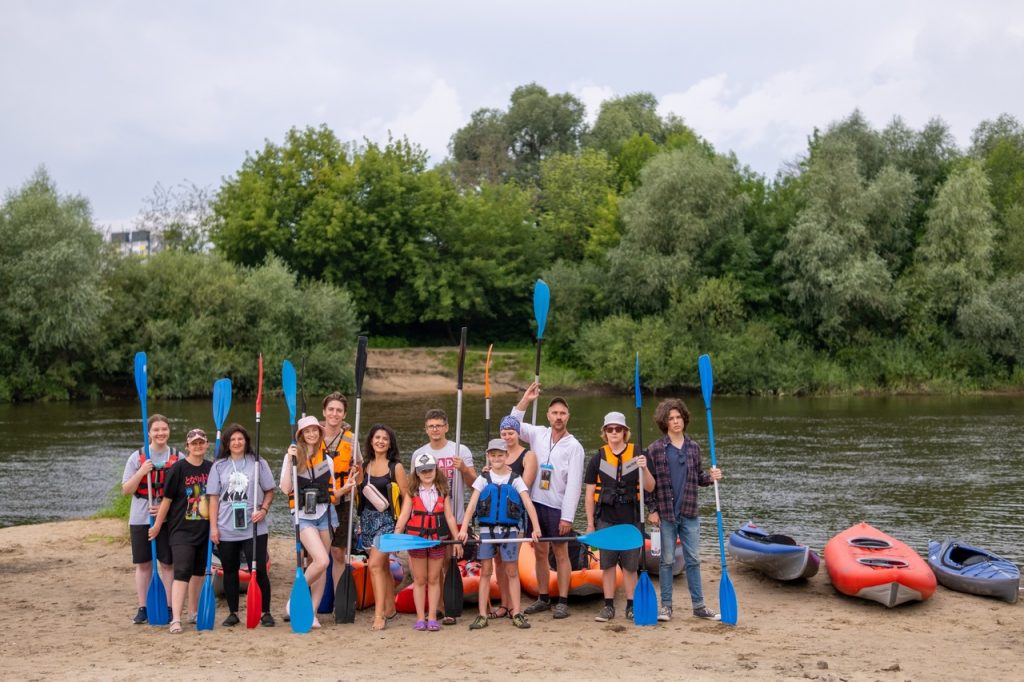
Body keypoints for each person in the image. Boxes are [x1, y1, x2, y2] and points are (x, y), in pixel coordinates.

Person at [511, 382, 585, 619]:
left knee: (560, 553)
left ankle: (562, 601)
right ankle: (543, 597)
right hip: (536, 504)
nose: (558, 417)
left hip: (557, 507)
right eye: (554, 413)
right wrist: (526, 399)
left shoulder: (575, 447)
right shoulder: (538, 433)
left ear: (569, 416)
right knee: (540, 553)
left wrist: (567, 517)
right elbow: (511, 424)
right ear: (548, 415)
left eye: (562, 413)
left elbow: (575, 484)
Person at [645, 398, 723, 622]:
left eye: (678, 417)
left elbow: (699, 478)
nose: (676, 421)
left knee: (693, 560)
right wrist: (652, 509)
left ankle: (699, 606)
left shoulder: (693, 448)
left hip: (689, 513)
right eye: (671, 418)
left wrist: (712, 478)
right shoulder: (655, 449)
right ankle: (666, 607)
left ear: (684, 419)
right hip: (667, 514)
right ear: (665, 422)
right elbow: (650, 484)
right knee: (667, 560)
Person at [458, 438, 541, 630]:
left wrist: (536, 528)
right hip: (487, 531)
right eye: (493, 455)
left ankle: (517, 612)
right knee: (486, 571)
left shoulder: (515, 479)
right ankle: (481, 614)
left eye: (500, 455)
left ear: (506, 456)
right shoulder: (483, 479)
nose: (496, 458)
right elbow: (471, 506)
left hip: (509, 531)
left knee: (512, 571)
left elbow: (528, 504)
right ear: (488, 457)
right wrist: (463, 529)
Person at [584, 412, 655, 622]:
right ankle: (608, 606)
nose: (614, 433)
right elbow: (589, 495)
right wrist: (590, 524)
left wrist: (644, 467)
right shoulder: (597, 458)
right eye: (609, 429)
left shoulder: (639, 454)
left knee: (631, 567)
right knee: (607, 565)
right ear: (605, 433)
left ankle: (631, 606)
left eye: (618, 429)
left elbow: (650, 487)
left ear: (625, 431)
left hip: (631, 520)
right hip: (605, 519)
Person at [410, 408, 476, 625]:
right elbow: (413, 488)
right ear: (426, 429)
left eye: (439, 425)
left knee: (448, 560)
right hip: (428, 519)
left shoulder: (460, 450)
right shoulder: (418, 454)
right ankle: (437, 608)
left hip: (452, 513)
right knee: (435, 562)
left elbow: (474, 483)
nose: (435, 429)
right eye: (431, 426)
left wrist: (463, 468)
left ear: (446, 427)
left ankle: (449, 604)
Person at [207, 423, 276, 627]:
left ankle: (265, 612)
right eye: (233, 440)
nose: (237, 443)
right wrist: (213, 528)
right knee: (230, 570)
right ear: (227, 443)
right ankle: (233, 612)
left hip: (254, 527)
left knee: (260, 570)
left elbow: (270, 490)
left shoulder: (257, 463)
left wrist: (263, 510)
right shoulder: (218, 466)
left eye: (240, 439)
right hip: (226, 527)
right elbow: (212, 499)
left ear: (246, 441)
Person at [148, 428, 212, 634]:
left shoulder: (213, 468)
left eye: (201, 442)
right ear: (187, 447)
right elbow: (166, 501)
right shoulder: (178, 469)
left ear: (207, 445)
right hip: (181, 531)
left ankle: (192, 611)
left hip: (204, 529)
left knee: (198, 573)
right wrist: (157, 526)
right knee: (182, 571)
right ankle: (175, 618)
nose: (198, 446)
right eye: (194, 443)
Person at [279, 414, 338, 629]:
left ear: (320, 433)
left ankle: (311, 612)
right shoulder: (292, 457)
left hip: (324, 515)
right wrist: (290, 459)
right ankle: (295, 599)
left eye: (315, 430)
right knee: (322, 561)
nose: (312, 434)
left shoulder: (327, 459)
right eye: (307, 431)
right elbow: (286, 489)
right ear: (301, 435)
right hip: (303, 517)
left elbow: (332, 491)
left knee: (320, 567)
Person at [395, 450, 461, 632]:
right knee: (420, 579)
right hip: (417, 541)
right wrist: (397, 534)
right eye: (423, 470)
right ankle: (420, 617)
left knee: (433, 578)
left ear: (435, 470)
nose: (427, 473)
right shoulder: (412, 492)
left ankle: (432, 617)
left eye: (430, 470)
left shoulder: (442, 491)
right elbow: (404, 515)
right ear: (417, 472)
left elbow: (449, 517)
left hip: (436, 541)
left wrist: (456, 540)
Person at [121, 413, 177, 625]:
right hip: (140, 517)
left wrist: (164, 508)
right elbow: (126, 489)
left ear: (169, 431)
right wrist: (142, 472)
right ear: (149, 433)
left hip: (167, 518)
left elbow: (181, 489)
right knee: (144, 565)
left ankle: (170, 606)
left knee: (167, 564)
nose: (160, 433)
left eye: (164, 429)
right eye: (156, 430)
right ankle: (143, 607)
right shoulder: (137, 457)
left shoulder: (177, 456)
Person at [486, 415, 538, 620]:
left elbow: (521, 488)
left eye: (511, 432)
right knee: (498, 562)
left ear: (518, 433)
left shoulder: (528, 456)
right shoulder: (496, 455)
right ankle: (505, 604)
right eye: (504, 433)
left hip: (515, 516)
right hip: (495, 516)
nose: (507, 436)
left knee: (511, 564)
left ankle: (515, 606)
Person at [355, 423, 405, 631]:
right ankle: (391, 608)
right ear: (371, 441)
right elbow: (356, 491)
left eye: (385, 438)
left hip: (387, 521)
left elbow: (407, 497)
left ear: (390, 442)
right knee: (382, 566)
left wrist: (400, 525)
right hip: (366, 521)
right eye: (377, 438)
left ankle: (379, 616)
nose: (381, 441)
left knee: (374, 565)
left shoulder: (397, 467)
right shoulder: (364, 466)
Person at [320, 392, 358, 596]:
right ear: (324, 412)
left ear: (344, 415)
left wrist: (355, 475)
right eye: (331, 409)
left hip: (343, 501)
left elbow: (359, 469)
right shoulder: (312, 435)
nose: (334, 414)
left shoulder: (351, 440)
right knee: (315, 554)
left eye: (339, 410)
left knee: (338, 551)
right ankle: (313, 599)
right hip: (317, 502)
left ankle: (339, 599)